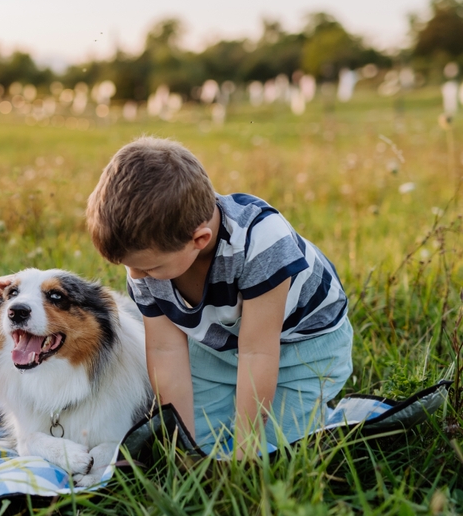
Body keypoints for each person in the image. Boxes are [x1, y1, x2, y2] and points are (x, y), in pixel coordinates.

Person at [85, 136, 352, 458]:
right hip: (220, 344)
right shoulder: (149, 260)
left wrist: (246, 443)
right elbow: (165, 348)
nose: (137, 276)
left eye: (149, 268)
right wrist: (183, 445)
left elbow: (257, 353)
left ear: (200, 239)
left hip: (302, 347)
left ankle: (310, 407)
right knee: (200, 441)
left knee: (274, 446)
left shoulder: (263, 243)